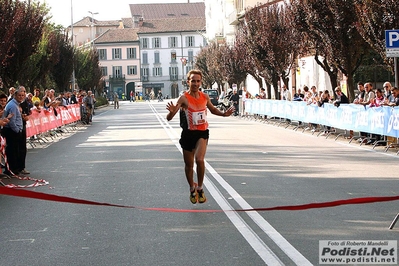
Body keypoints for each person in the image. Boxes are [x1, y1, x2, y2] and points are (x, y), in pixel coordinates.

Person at [166, 69, 235, 204]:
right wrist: (171, 112)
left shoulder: (205, 97)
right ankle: (192, 187)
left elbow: (212, 109)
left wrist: (223, 114)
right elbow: (170, 117)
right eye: (193, 81)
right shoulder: (184, 98)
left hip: (202, 133)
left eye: (198, 81)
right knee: (189, 165)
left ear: (201, 82)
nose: (196, 83)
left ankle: (200, 187)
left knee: (199, 159)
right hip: (188, 134)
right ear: (188, 82)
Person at [2, 87, 26, 176]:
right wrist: (17, 131)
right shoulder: (12, 105)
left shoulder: (16, 104)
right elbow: (12, 121)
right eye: (19, 95)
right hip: (12, 131)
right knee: (12, 151)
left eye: (22, 95)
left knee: (15, 151)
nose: (21, 97)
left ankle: (14, 169)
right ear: (15, 95)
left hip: (14, 130)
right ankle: (11, 169)